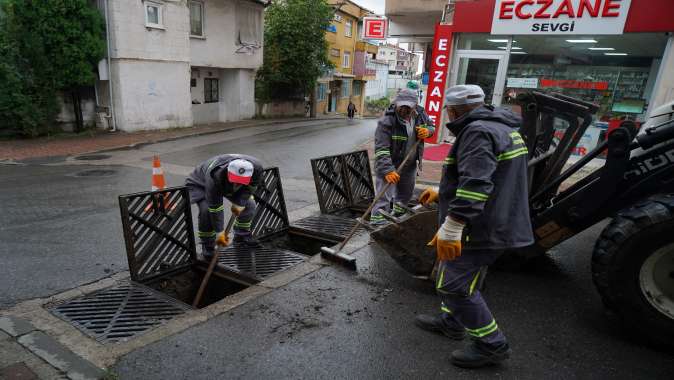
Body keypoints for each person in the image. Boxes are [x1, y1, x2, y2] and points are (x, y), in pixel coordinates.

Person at [415, 85, 534, 368]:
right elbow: (488, 174)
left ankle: (491, 344)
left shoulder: (477, 132)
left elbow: (477, 184)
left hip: (482, 226)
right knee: (462, 273)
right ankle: (451, 322)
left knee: (453, 285)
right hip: (499, 219)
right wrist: (441, 192)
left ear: (454, 111)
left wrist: (454, 224)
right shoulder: (502, 127)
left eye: (448, 110)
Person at [371, 88, 435, 225]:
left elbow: (431, 125)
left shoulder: (420, 114)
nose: (404, 110)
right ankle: (377, 225)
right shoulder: (387, 121)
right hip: (389, 165)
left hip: (409, 164)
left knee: (405, 195)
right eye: (402, 106)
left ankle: (397, 220)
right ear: (396, 103)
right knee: (383, 198)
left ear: (415, 105)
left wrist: (428, 131)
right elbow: (381, 149)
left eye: (408, 107)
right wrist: (387, 170)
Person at [185, 154, 264, 259]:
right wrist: (220, 232)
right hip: (200, 183)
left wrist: (240, 203)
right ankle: (208, 246)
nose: (237, 183)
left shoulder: (256, 169)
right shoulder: (214, 176)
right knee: (206, 211)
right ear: (228, 171)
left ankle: (241, 235)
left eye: (240, 181)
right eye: (235, 179)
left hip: (226, 184)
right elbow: (215, 208)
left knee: (249, 204)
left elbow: (249, 189)